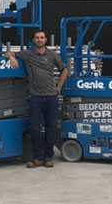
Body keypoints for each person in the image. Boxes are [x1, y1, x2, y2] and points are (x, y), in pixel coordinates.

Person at [4, 30, 68, 168]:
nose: (39, 39)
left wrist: (59, 86)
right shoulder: (28, 54)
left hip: (51, 97)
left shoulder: (52, 55)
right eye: (37, 38)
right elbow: (8, 53)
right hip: (36, 98)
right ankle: (38, 158)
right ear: (33, 40)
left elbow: (64, 70)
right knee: (34, 128)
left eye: (42, 37)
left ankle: (48, 157)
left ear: (46, 40)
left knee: (51, 128)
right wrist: (12, 58)